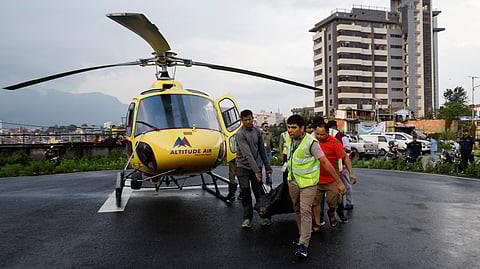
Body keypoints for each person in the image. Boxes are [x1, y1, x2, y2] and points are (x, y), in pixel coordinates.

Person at [285, 114, 343, 258]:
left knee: (305, 211)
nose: (290, 130)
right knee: (297, 208)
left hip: (308, 183)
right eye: (288, 127)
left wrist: (338, 181)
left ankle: (303, 244)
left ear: (302, 128)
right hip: (293, 181)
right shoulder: (288, 138)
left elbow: (325, 162)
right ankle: (301, 236)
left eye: (293, 127)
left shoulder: (311, 142)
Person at [312, 122, 354, 230]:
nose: (320, 137)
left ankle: (331, 213)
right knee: (315, 204)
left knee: (333, 203)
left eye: (322, 134)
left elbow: (345, 157)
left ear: (327, 132)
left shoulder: (334, 142)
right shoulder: (312, 142)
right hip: (316, 180)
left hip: (332, 180)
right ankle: (316, 224)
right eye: (318, 134)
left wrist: (351, 173)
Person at [235, 109, 272, 229]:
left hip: (256, 165)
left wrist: (267, 167)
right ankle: (247, 218)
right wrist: (257, 171)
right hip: (242, 167)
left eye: (250, 119)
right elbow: (247, 155)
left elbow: (262, 150)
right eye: (245, 120)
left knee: (258, 192)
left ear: (253, 118)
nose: (248, 122)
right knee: (245, 191)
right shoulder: (240, 134)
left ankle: (264, 216)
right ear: (242, 121)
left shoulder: (257, 132)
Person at [327, 120, 356, 212]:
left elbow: (347, 150)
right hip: (334, 165)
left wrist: (337, 149)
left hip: (342, 164)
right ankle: (339, 204)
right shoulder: (330, 137)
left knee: (346, 184)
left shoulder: (342, 137)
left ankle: (349, 203)